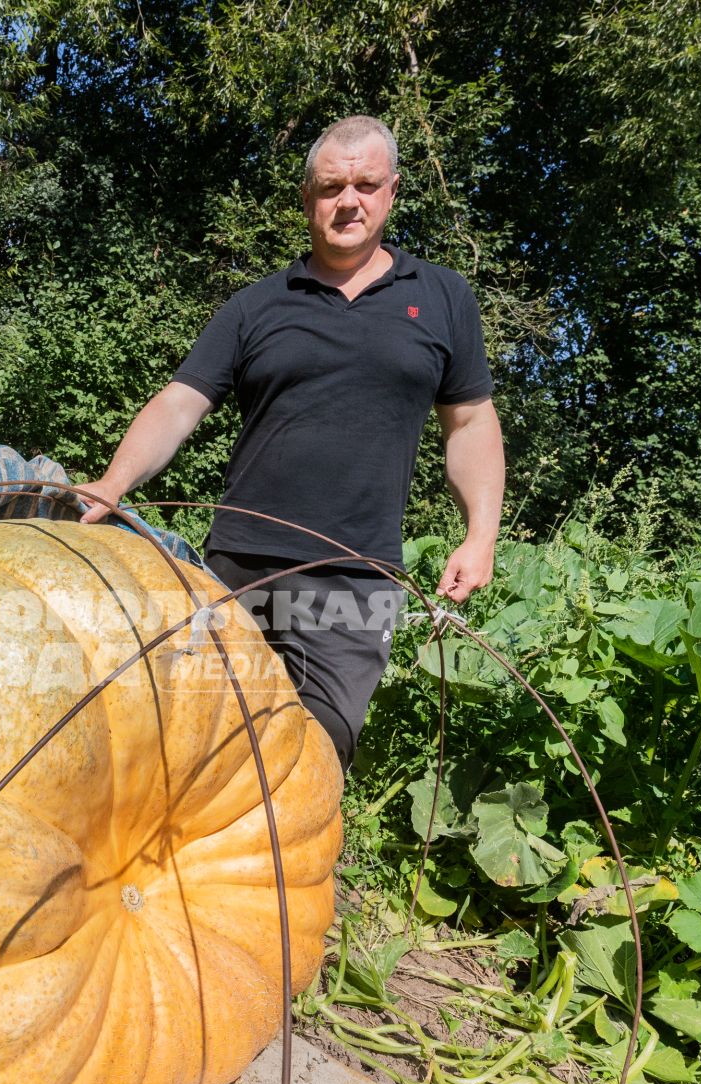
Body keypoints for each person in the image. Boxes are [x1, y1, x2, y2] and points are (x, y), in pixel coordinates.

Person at [78, 114, 505, 770]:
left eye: (364, 185)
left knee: (311, 758)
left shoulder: (442, 297)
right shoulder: (258, 305)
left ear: (391, 191)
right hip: (238, 568)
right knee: (190, 748)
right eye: (331, 187)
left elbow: (471, 424)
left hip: (356, 580)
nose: (347, 202)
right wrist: (113, 482)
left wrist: (480, 536)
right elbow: (179, 402)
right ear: (307, 198)